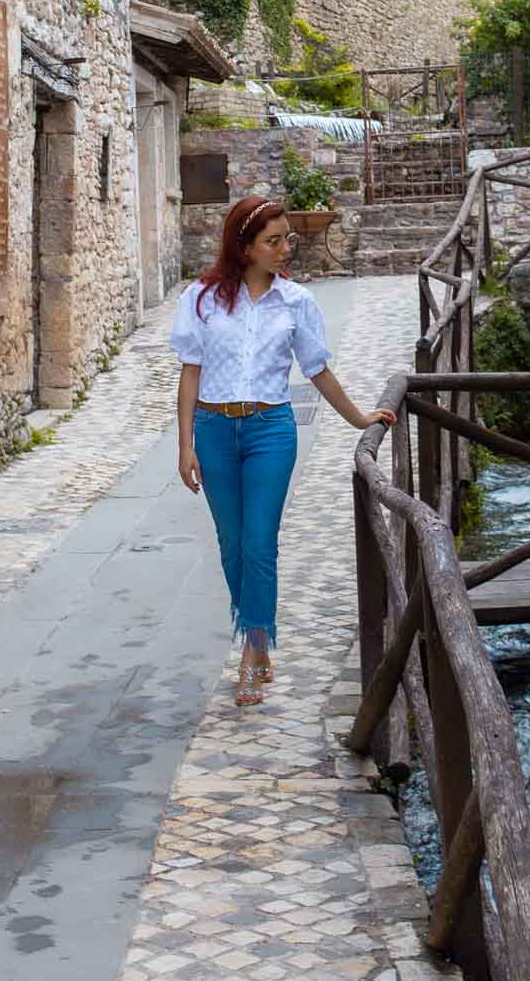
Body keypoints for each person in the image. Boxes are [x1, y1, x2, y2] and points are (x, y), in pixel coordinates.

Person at [170, 194, 396, 708]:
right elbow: (190, 373)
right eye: (273, 241)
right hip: (213, 429)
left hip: (271, 429)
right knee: (230, 546)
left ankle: (252, 652)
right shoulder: (202, 299)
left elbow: (317, 369)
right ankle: (257, 634)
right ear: (244, 247)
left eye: (286, 238)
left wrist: (360, 417)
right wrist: (185, 445)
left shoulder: (296, 302)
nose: (284, 248)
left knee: (258, 543)